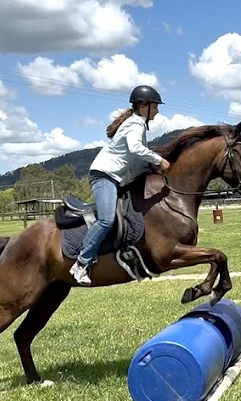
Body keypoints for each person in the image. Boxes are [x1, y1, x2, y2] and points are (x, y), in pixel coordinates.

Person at [69, 85, 171, 285]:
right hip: (104, 176)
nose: (157, 111)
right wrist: (159, 160)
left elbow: (136, 160)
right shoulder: (135, 124)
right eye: (155, 106)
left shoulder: (137, 124)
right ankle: (81, 263)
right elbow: (135, 148)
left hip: (116, 178)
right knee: (106, 220)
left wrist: (154, 168)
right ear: (143, 106)